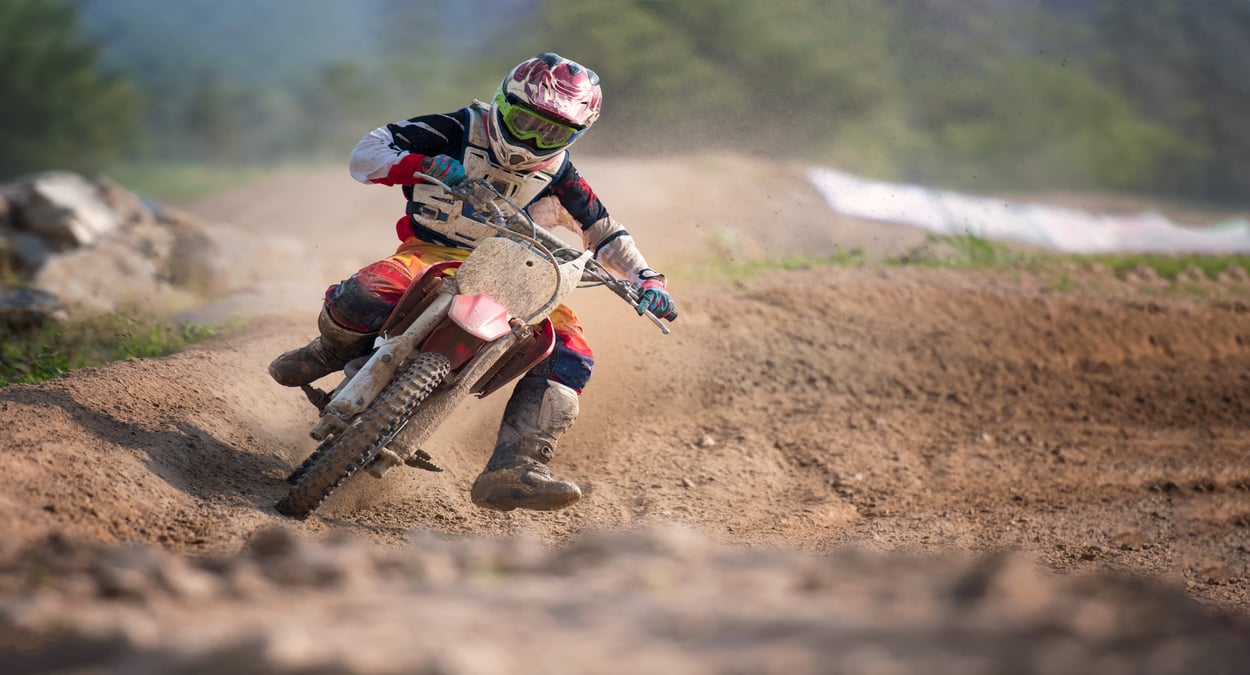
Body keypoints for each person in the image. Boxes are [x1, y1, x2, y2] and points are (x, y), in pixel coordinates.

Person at [268, 53, 675, 512]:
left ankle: (517, 464)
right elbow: (367, 154)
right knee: (367, 291)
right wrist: (424, 163)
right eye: (524, 121)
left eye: (553, 132)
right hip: (433, 254)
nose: (533, 140)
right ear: (503, 104)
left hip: (524, 278)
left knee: (573, 352)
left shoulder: (560, 175)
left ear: (574, 136)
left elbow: (604, 231)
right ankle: (330, 352)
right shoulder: (457, 128)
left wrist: (647, 279)